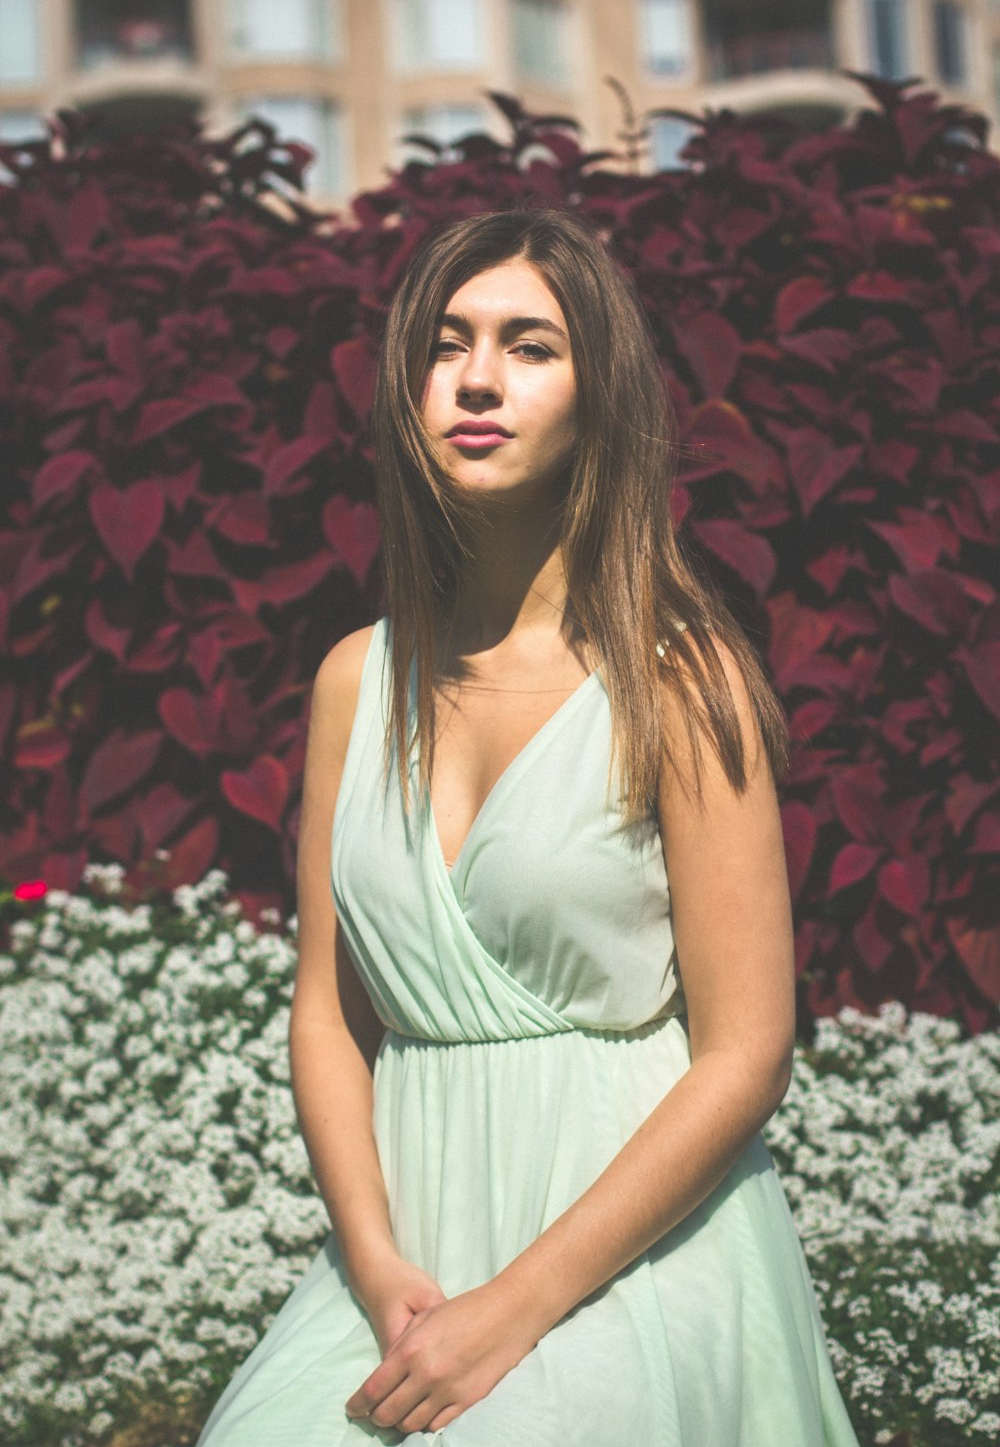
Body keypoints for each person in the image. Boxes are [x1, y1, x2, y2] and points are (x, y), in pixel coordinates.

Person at [195, 206, 862, 1445]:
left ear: (598, 397)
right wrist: (378, 1262)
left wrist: (516, 1307)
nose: (480, 380)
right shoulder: (356, 679)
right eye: (447, 345)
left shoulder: (681, 682)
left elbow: (746, 1053)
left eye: (530, 346)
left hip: (632, 1254)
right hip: (407, 1264)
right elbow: (328, 1017)